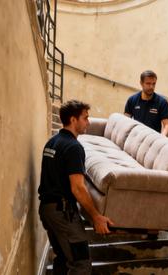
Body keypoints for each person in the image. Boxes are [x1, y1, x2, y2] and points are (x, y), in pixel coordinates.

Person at [38, 100, 115, 274]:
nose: (88, 122)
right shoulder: (74, 147)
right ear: (73, 120)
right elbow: (78, 188)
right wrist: (96, 217)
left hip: (48, 210)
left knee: (64, 260)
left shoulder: (52, 142)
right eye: (85, 118)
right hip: (63, 213)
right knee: (80, 263)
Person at [124, 70, 168, 136]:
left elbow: (167, 125)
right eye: (148, 83)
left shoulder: (162, 102)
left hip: (152, 140)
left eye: (154, 84)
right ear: (141, 83)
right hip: (136, 137)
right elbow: (126, 121)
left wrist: (161, 138)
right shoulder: (132, 100)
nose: (151, 87)